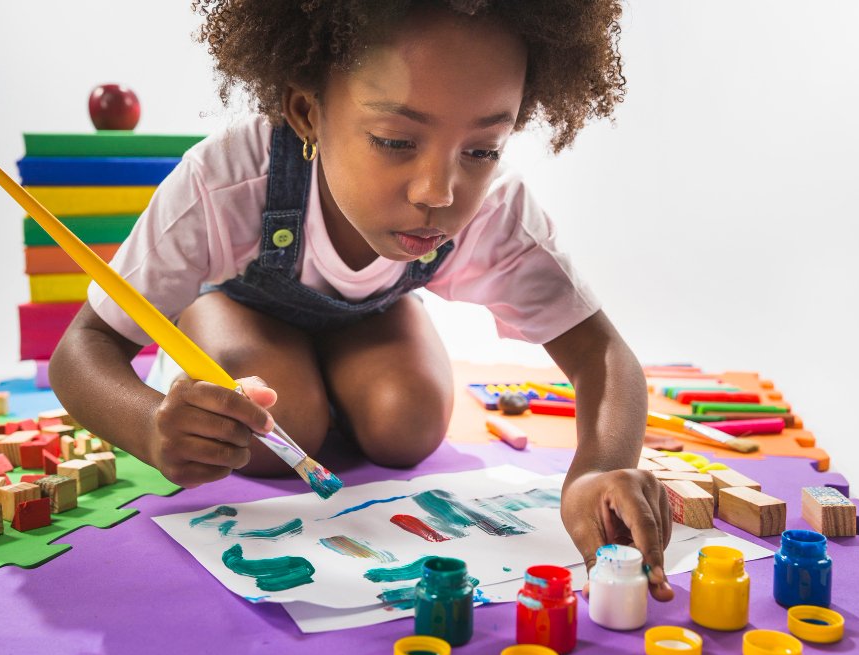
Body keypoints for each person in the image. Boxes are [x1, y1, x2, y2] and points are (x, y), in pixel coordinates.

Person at [50, 0, 674, 600]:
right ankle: (242, 340)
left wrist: (595, 468)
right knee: (275, 431)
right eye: (396, 140)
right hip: (244, 307)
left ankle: (346, 367)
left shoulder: (498, 213)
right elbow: (84, 348)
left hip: (372, 318)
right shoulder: (224, 182)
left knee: (408, 425)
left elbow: (602, 354)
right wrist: (152, 427)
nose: (438, 191)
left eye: (482, 150)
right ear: (306, 110)